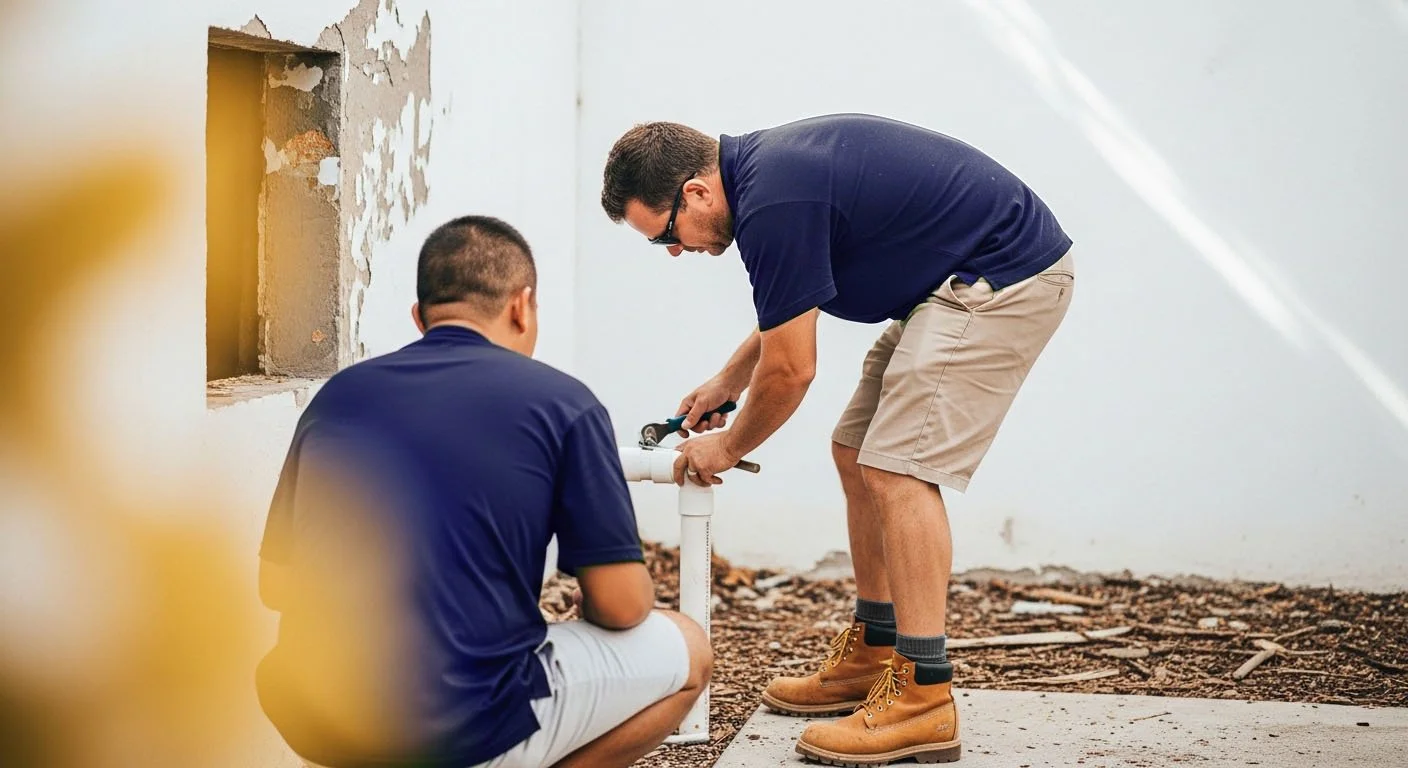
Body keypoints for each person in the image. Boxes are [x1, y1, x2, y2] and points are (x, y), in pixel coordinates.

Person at [600, 113, 1075, 765]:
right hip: (949, 285)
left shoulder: (773, 199)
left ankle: (925, 696)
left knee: (898, 469)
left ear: (694, 195)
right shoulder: (767, 180)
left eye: (665, 237)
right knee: (856, 451)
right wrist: (728, 381)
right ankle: (876, 649)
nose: (676, 251)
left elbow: (793, 370)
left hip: (1000, 278)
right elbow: (792, 307)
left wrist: (727, 447)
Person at [255, 215, 712, 768]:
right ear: (522, 307)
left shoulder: (340, 396)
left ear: (420, 319)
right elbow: (621, 607)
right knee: (689, 649)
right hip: (465, 729)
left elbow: (276, 585)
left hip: (318, 721)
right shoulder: (563, 405)